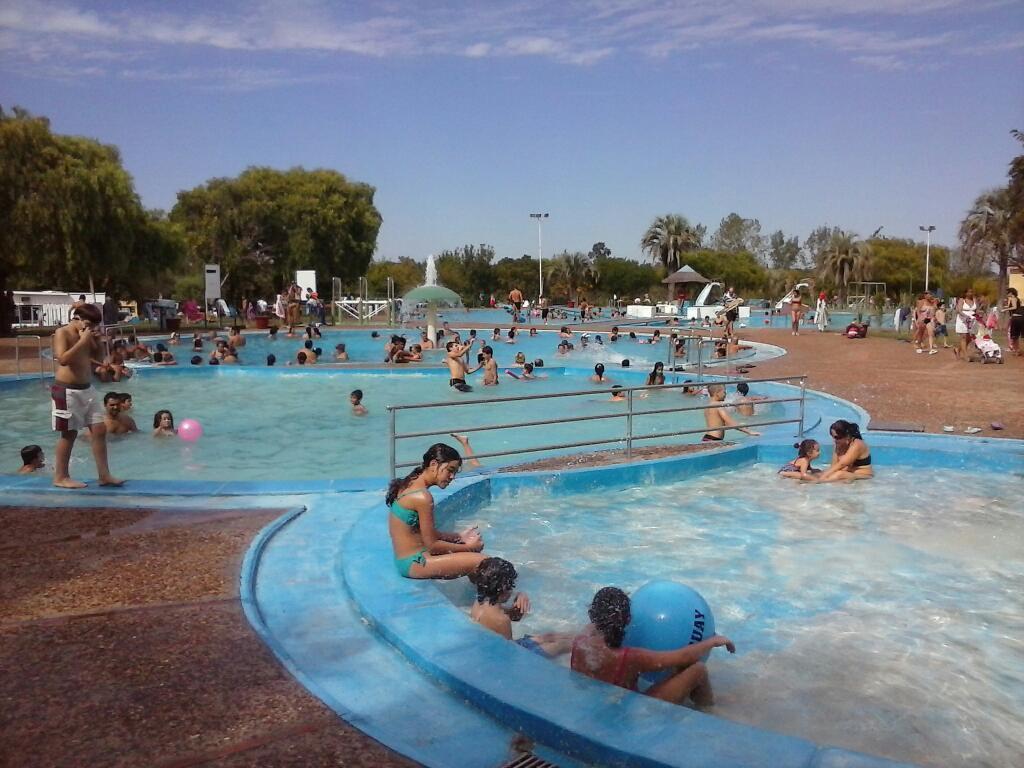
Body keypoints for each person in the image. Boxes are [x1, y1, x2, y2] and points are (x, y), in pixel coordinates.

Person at [570, 587, 735, 705]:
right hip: (638, 710)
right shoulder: (630, 657)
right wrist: (712, 641)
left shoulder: (580, 642)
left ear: (592, 615)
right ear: (628, 620)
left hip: (600, 703)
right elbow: (685, 657)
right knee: (697, 669)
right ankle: (708, 710)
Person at [386, 443, 485, 579]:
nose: (452, 477)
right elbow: (432, 546)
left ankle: (481, 598)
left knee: (477, 564)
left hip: (406, 559)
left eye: (455, 472)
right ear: (433, 464)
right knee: (485, 563)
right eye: (450, 470)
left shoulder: (409, 483)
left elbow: (425, 534)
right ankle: (486, 601)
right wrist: (470, 548)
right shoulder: (423, 498)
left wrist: (458, 537)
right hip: (415, 563)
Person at [50, 304, 123, 489]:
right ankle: (61, 476)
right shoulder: (63, 333)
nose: (91, 328)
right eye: (89, 324)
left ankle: (104, 475)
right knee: (69, 433)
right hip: (66, 390)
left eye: (95, 326)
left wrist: (96, 342)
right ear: (78, 318)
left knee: (99, 429)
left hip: (87, 388)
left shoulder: (88, 333)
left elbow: (98, 357)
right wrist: (82, 341)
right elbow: (63, 359)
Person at [953, 289, 978, 361]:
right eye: (969, 292)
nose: (971, 293)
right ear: (965, 293)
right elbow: (959, 310)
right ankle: (965, 355)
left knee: (970, 337)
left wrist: (979, 314)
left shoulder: (974, 300)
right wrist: (965, 316)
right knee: (963, 336)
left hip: (972, 320)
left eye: (972, 292)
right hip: (962, 319)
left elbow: (976, 310)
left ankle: (958, 349)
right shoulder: (962, 300)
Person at [1004, 287, 1023, 356]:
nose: (1007, 294)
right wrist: (1007, 307)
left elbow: (1014, 307)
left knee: (1013, 334)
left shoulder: (1013, 298)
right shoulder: (1017, 299)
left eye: (1008, 292)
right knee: (1016, 334)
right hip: (1019, 317)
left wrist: (1005, 310)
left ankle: (1016, 349)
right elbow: (1017, 307)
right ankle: (1017, 350)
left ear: (1011, 293)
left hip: (1015, 317)